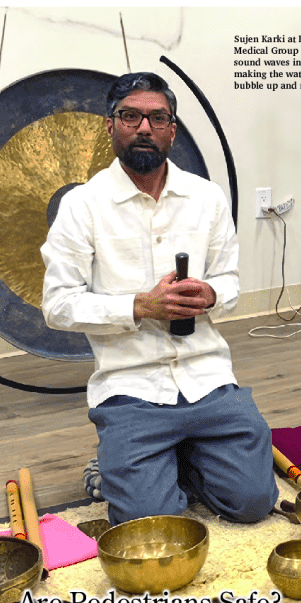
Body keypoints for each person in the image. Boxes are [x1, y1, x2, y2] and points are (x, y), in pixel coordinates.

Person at [41, 71, 278, 527]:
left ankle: (177, 459)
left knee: (253, 502)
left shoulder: (207, 198)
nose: (144, 127)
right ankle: (129, 464)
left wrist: (211, 294)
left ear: (172, 129)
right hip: (130, 387)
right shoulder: (82, 206)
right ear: (111, 126)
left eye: (157, 118)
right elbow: (57, 304)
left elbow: (229, 283)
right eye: (130, 116)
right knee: (153, 523)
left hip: (207, 378)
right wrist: (139, 307)